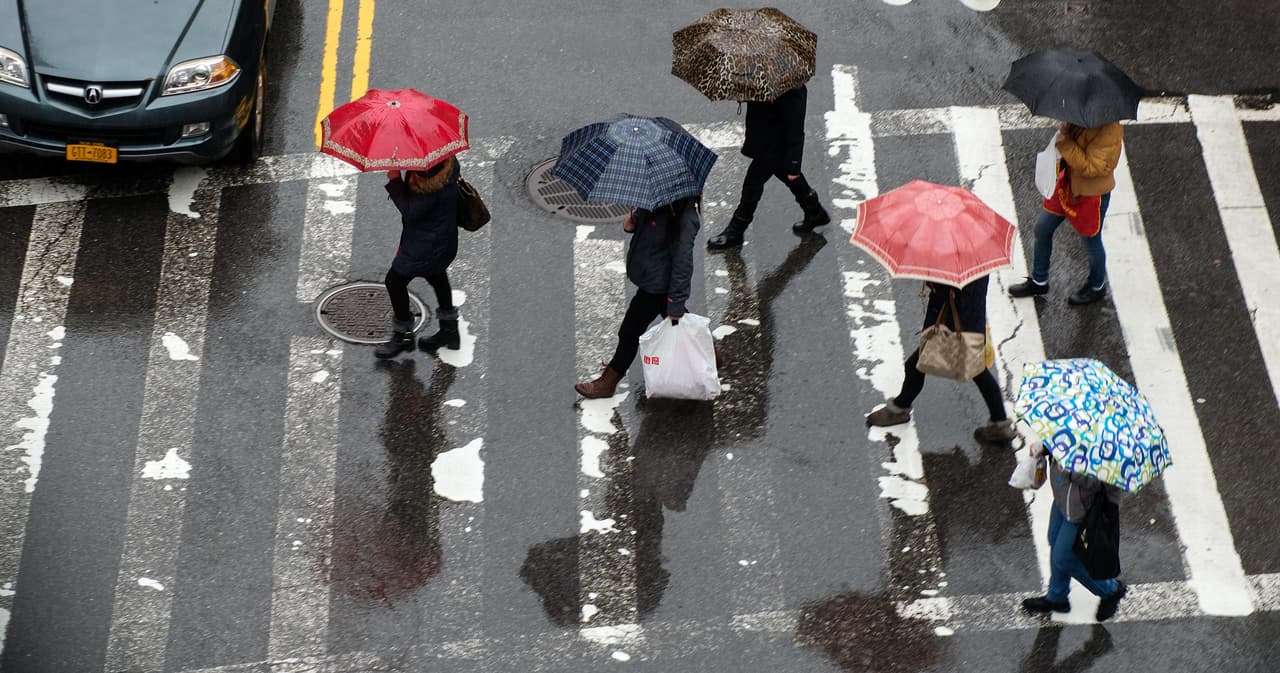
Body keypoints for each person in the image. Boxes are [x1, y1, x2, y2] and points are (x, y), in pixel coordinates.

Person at [575, 196, 701, 398]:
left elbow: (683, 264)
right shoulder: (657, 200)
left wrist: (676, 303)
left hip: (658, 286)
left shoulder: (684, 217)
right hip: (651, 279)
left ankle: (608, 383)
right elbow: (649, 232)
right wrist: (632, 226)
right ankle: (711, 354)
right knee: (681, 326)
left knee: (629, 332)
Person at [865, 276, 1017, 442]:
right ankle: (1000, 423)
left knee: (916, 365)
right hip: (969, 319)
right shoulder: (973, 262)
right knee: (977, 371)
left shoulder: (956, 267)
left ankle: (899, 408)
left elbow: (949, 289)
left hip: (953, 322)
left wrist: (933, 282)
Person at [1009, 120, 1123, 305]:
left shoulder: (1110, 130)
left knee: (1091, 241)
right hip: (1068, 185)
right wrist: (1067, 129)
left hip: (1090, 194)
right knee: (1042, 229)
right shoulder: (1081, 115)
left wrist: (1066, 143)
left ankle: (1096, 287)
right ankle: (1039, 281)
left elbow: (1092, 168)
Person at [706, 84, 829, 249]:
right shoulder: (763, 77)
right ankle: (815, 212)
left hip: (775, 145)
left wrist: (794, 164)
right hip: (764, 139)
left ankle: (736, 230)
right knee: (785, 174)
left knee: (752, 184)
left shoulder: (793, 89)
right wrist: (746, 94)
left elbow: (795, 129)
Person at [1022, 450, 1128, 622]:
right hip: (1063, 502)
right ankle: (1057, 597)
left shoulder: (1112, 447)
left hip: (1084, 511)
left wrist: (1073, 472)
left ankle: (1111, 590)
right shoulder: (1074, 427)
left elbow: (1112, 483)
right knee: (1054, 541)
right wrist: (1046, 447)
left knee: (1063, 557)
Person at [375, 159, 463, 359]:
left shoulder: (428, 179)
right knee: (436, 275)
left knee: (394, 281)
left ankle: (403, 335)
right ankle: (449, 330)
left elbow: (411, 211)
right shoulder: (446, 161)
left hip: (425, 243)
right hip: (443, 237)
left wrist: (395, 179)